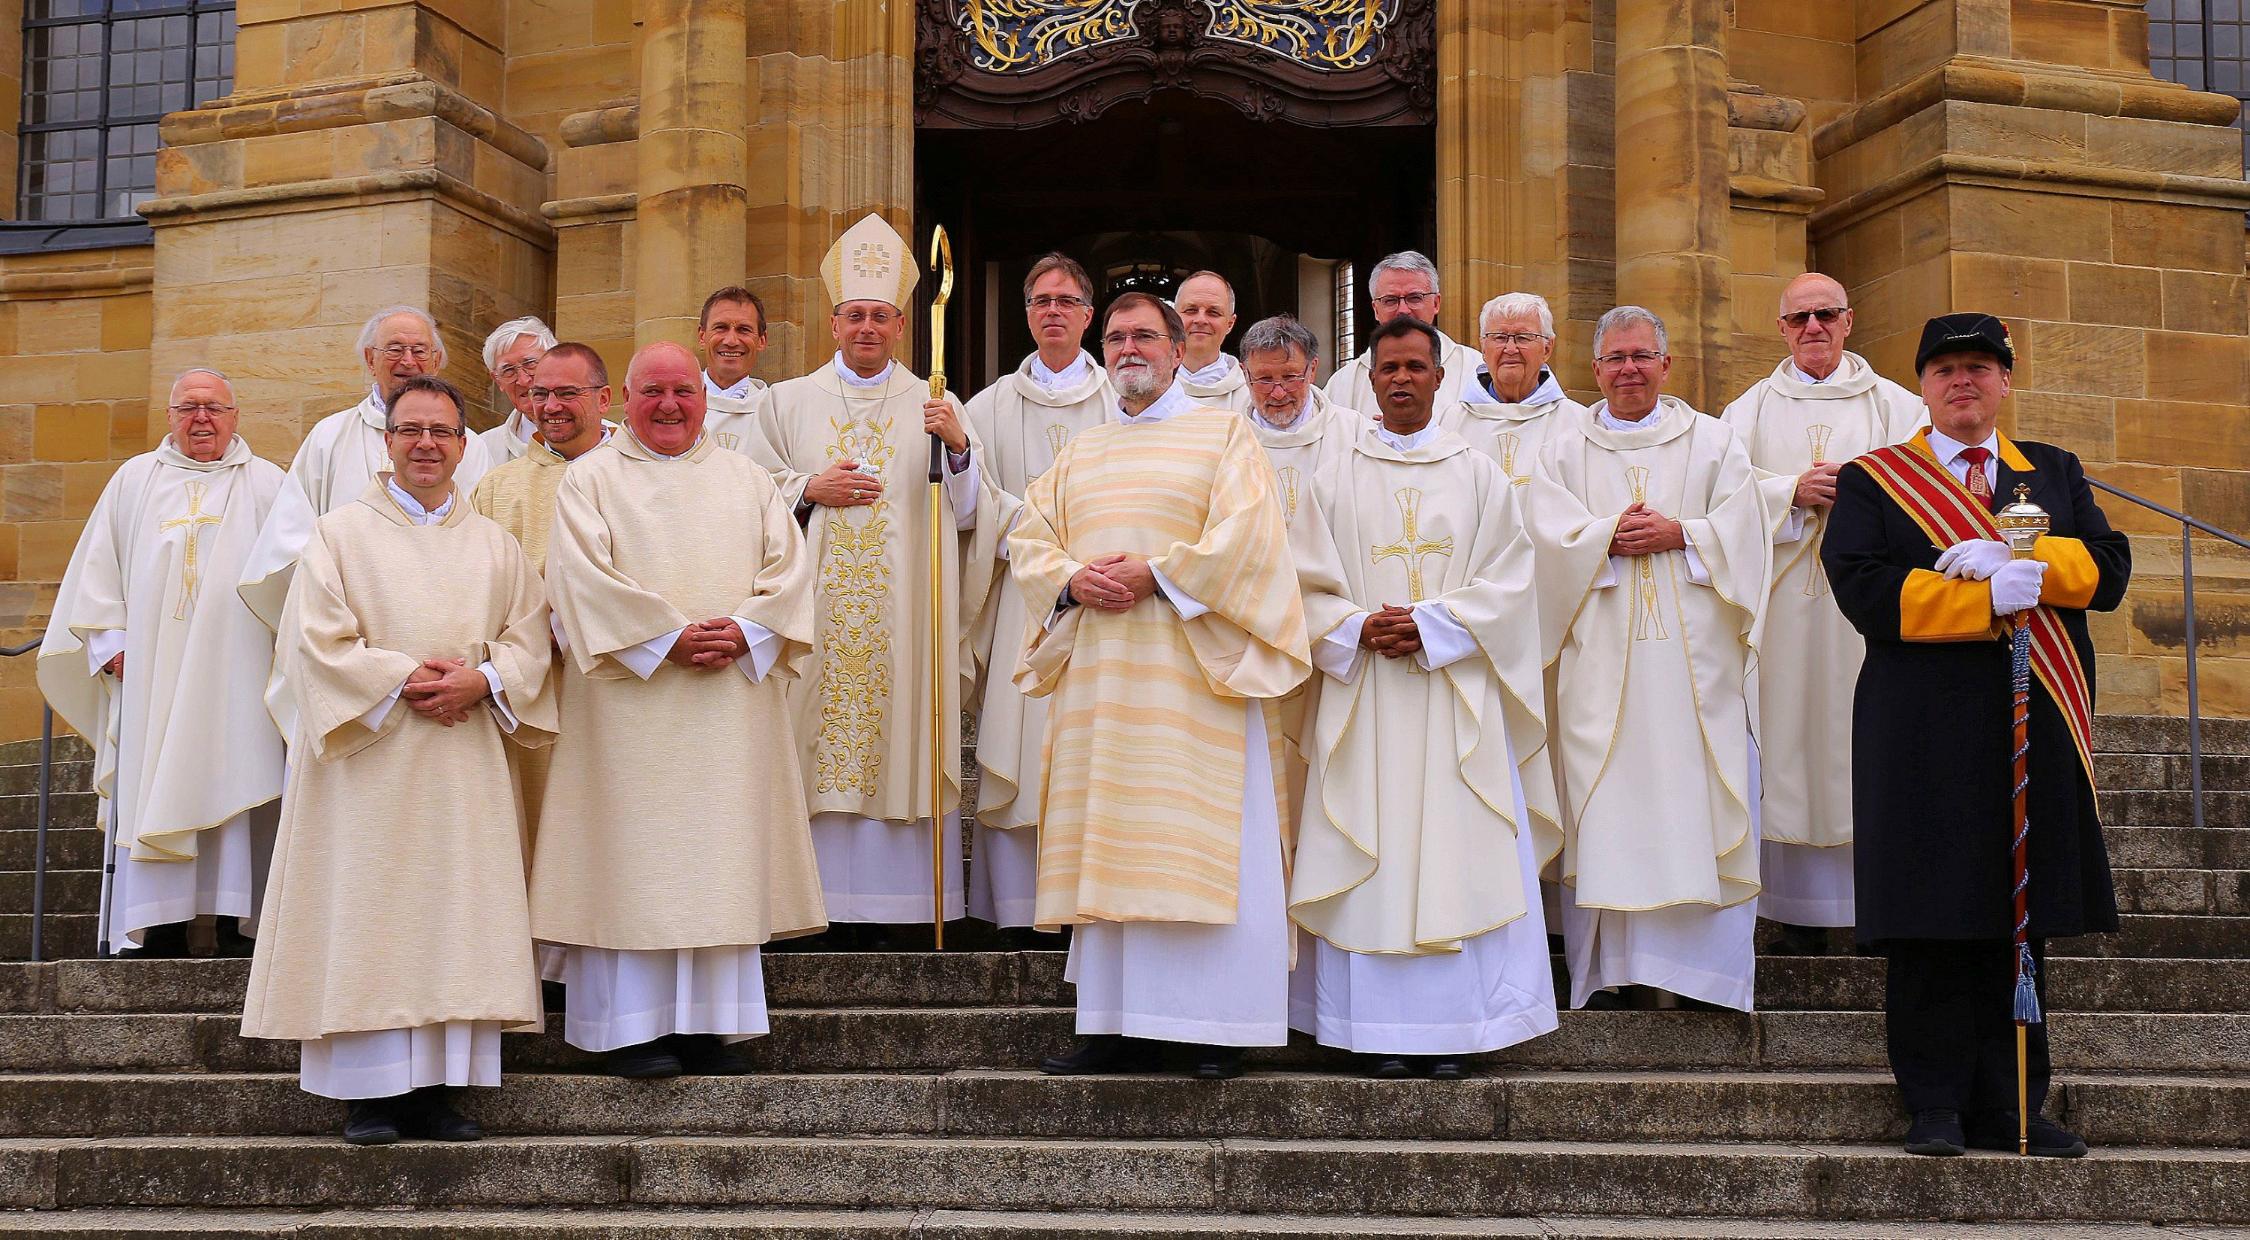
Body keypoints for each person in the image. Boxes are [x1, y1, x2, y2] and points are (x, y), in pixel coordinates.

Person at [1822, 312, 2129, 1159]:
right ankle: (1934, 1105)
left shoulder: (2052, 473)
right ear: (1923, 385)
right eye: (1947, 369)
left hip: (2030, 721)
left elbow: (2110, 568)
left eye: (1980, 369)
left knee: (2017, 916)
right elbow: (1861, 586)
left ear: (2004, 381)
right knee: (1929, 917)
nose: (1965, 382)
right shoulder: (1875, 480)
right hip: (1919, 729)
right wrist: (1978, 599)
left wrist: (2033, 565)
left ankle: (2015, 1105)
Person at [241, 374, 555, 1145]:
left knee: (454, 913)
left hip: (461, 758)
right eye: (410, 430)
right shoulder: (339, 533)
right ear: (385, 442)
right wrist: (402, 678)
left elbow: (531, 638)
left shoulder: (495, 544)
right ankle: (370, 1093)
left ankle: (440, 1092)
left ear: (462, 445)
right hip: (369, 760)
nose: (425, 444)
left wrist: (483, 679)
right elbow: (315, 639)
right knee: (371, 911)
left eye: (441, 432)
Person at [1011, 292, 1310, 1080]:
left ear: (1182, 349)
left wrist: (1161, 575)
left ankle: (1214, 1026)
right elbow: (1027, 541)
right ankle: (1111, 1024)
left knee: (1191, 840)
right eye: (1115, 338)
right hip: (1105, 685)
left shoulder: (1224, 436)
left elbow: (1250, 539)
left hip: (1193, 683)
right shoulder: (1082, 452)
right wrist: (1073, 579)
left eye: (1145, 334)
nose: (1128, 348)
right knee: (1112, 839)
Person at [533, 341, 826, 1079]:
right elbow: (578, 581)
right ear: (622, 398)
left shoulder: (747, 477)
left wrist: (748, 628)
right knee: (632, 861)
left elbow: (789, 572)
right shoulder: (590, 480)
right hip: (627, 712)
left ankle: (708, 1026)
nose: (669, 406)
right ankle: (626, 1030)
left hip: (728, 707)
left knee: (715, 859)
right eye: (652, 391)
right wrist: (665, 639)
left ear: (706, 397)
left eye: (684, 392)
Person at [1289, 318, 1560, 1078]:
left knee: (1458, 848)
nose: (1402, 379)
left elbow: (1513, 582)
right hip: (1366, 692)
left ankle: (1460, 1031)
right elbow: (1302, 583)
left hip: (1454, 697)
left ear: (1441, 378)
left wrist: (1436, 624)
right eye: (1389, 369)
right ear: (1369, 380)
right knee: (1371, 847)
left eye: (1416, 366)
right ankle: (1370, 1031)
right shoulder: (1333, 477)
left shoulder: (1477, 474)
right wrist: (1354, 626)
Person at [749, 213, 1007, 942]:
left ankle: (900, 908)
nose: (867, 327)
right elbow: (749, 499)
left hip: (907, 615)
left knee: (902, 736)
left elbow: (971, 515)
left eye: (882, 317)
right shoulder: (784, 403)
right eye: (854, 315)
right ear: (833, 323)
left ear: (902, 327)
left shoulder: (936, 402)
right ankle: (811, 902)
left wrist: (958, 449)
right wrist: (807, 488)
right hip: (814, 612)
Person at [1524, 305, 1769, 1012]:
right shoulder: (1564, 450)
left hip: (1696, 672)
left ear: (1666, 365)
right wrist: (1603, 535)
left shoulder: (1715, 443)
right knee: (1607, 807)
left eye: (1641, 356)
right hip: (1600, 664)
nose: (1628, 369)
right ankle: (1614, 972)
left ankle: (1700, 977)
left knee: (1693, 801)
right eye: (1614, 359)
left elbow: (1745, 530)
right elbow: (1542, 539)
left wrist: (1682, 533)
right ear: (1594, 371)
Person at [36, 368, 287, 958]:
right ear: (170, 416)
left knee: (236, 776)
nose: (202, 419)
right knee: (152, 780)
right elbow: (98, 569)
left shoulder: (270, 485)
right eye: (189, 407)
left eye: (215, 408)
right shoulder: (133, 481)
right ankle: (160, 926)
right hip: (150, 671)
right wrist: (108, 643)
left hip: (237, 673)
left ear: (235, 416)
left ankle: (233, 922)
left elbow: (292, 576)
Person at [1720, 273, 1925, 943]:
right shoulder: (1746, 413)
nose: (1812, 327)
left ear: (1849, 320)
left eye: (1825, 315)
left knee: (1858, 741)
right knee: (1779, 738)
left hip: (1861, 615)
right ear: (1780, 328)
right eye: (1799, 317)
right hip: (1779, 610)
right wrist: (1788, 492)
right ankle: (1784, 911)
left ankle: (1868, 910)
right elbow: (1717, 501)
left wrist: (1860, 500)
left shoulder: (1897, 408)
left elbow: (1929, 489)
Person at [963, 252, 1110, 932]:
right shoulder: (988, 406)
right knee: (1020, 751)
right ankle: (1021, 909)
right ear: (1027, 315)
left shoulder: (1121, 399)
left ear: (1088, 314)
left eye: (1066, 300)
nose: (1053, 310)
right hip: (1028, 606)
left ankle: (1094, 904)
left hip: (1110, 605)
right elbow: (969, 512)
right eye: (1040, 300)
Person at [239, 307, 494, 624]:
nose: (408, 361)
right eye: (395, 349)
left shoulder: (467, 445)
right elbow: (292, 537)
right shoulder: (329, 436)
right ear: (370, 359)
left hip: (445, 617)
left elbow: (483, 541)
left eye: (419, 351)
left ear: (436, 362)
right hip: (348, 618)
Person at [469, 342, 615, 866]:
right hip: (535, 682)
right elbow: (476, 587)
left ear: (603, 398)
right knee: (539, 831)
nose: (550, 405)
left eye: (567, 393)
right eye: (540, 394)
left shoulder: (638, 476)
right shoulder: (496, 487)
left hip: (619, 681)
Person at [1446, 292, 1588, 486]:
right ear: (1483, 348)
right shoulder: (1452, 423)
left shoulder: (1578, 423)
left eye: (1523, 337)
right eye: (1499, 337)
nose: (1510, 349)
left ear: (1547, 348)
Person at [1323, 251, 1483, 416]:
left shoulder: (1474, 369)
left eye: (1414, 298)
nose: (1403, 311)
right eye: (1390, 300)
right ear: (1376, 310)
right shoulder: (1343, 382)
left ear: (1436, 303)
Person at [1239, 313, 1351, 530]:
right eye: (1264, 379)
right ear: (1245, 374)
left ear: (1312, 370)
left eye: (1290, 377)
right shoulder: (1227, 439)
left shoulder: (1354, 434)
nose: (1279, 393)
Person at [698, 286, 772, 452]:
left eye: (743, 330)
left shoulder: (776, 410)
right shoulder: (676, 405)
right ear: (702, 336)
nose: (731, 341)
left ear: (762, 340)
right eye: (720, 327)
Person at [475, 317, 560, 463]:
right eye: (508, 370)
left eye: (530, 364)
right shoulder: (482, 449)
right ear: (497, 380)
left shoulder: (605, 439)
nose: (523, 380)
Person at [1173, 270, 1252, 411]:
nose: (1201, 320)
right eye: (1191, 310)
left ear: (1230, 324)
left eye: (1213, 312)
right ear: (1174, 317)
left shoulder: (1252, 393)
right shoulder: (1148, 385)